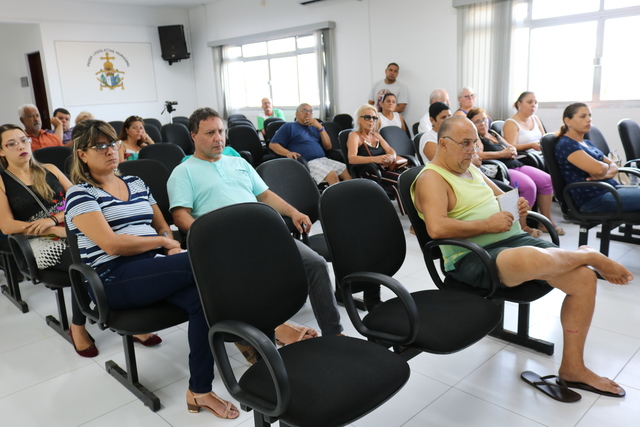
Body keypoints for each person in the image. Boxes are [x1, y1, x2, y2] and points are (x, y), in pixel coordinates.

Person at [412, 116, 632, 398]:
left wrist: (517, 207)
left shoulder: (470, 170)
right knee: (533, 257)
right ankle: (585, 253)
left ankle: (573, 368)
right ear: (443, 144)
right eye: (465, 144)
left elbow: (501, 199)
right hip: (473, 257)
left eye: (474, 143)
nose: (471, 150)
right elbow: (437, 227)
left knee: (584, 278)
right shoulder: (432, 177)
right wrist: (487, 225)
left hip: (512, 240)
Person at [65, 119, 239, 419]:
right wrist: (162, 241)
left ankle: (199, 390)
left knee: (202, 301)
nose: (111, 151)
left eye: (112, 143)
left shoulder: (135, 182)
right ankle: (265, 330)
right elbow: (112, 245)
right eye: (100, 146)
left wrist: (168, 242)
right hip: (113, 278)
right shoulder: (80, 195)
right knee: (210, 260)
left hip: (153, 266)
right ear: (82, 154)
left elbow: (162, 224)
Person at [168, 107, 344, 340]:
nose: (218, 138)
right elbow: (180, 215)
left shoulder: (237, 162)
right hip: (226, 242)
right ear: (193, 135)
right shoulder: (183, 172)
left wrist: (293, 212)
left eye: (221, 131)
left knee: (316, 264)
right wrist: (206, 240)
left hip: (266, 233)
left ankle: (334, 333)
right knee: (257, 279)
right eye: (210, 133)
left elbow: (265, 195)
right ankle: (275, 329)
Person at [0, 124, 95, 357]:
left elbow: (79, 199)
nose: (21, 146)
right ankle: (78, 326)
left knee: (109, 252)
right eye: (12, 143)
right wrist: (48, 230)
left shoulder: (50, 169)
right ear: (1, 151)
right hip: (36, 243)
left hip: (68, 229)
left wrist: (54, 219)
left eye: (23, 140)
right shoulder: (2, 181)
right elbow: (7, 225)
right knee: (83, 261)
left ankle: (116, 309)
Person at [468, 107, 563, 236]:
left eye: (484, 119)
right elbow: (479, 154)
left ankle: (546, 220)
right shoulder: (476, 137)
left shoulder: (493, 133)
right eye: (477, 121)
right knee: (528, 186)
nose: (482, 123)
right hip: (502, 169)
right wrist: (501, 154)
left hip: (515, 164)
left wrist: (512, 150)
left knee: (547, 180)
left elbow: (510, 146)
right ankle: (523, 226)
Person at [555, 102, 640, 213]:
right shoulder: (567, 145)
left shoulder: (587, 143)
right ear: (568, 121)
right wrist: (604, 168)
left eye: (590, 115)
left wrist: (602, 175)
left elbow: (613, 166)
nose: (589, 119)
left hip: (612, 189)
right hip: (594, 198)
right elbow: (601, 168)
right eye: (583, 116)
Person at [269, 104, 352, 185]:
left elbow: (328, 147)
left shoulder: (315, 127)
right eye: (304, 110)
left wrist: (320, 128)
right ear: (296, 114)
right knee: (332, 175)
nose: (308, 113)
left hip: (323, 159)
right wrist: (288, 153)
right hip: (307, 162)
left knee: (348, 172)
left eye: (310, 111)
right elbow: (273, 145)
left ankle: (348, 197)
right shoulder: (289, 126)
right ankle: (336, 198)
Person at [502, 92, 546, 167]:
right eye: (529, 102)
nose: (533, 105)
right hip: (526, 158)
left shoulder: (535, 118)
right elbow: (511, 147)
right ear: (519, 104)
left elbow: (544, 138)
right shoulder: (511, 123)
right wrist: (531, 145)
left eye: (536, 103)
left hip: (541, 155)